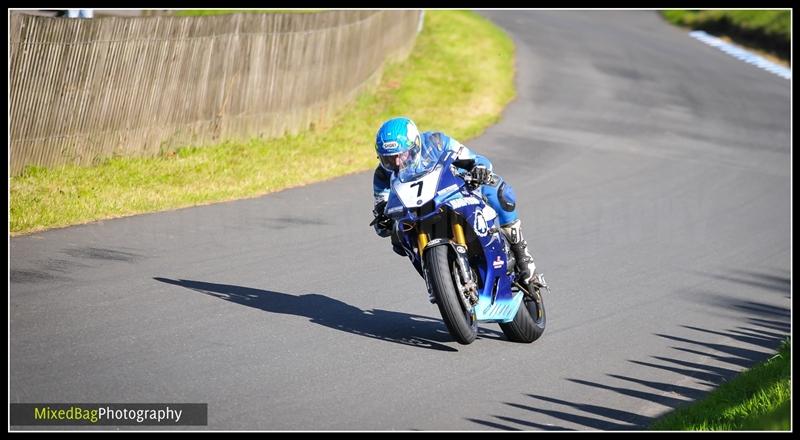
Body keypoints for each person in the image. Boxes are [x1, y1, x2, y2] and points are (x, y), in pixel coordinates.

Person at [371, 116, 547, 290]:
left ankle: (521, 252)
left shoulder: (436, 142)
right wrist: (383, 220)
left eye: (401, 155)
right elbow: (382, 207)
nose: (396, 162)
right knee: (397, 235)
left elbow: (474, 159)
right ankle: (436, 279)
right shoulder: (382, 175)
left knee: (495, 189)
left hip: (450, 194)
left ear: (415, 145)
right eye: (388, 159)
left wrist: (479, 169)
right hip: (416, 213)